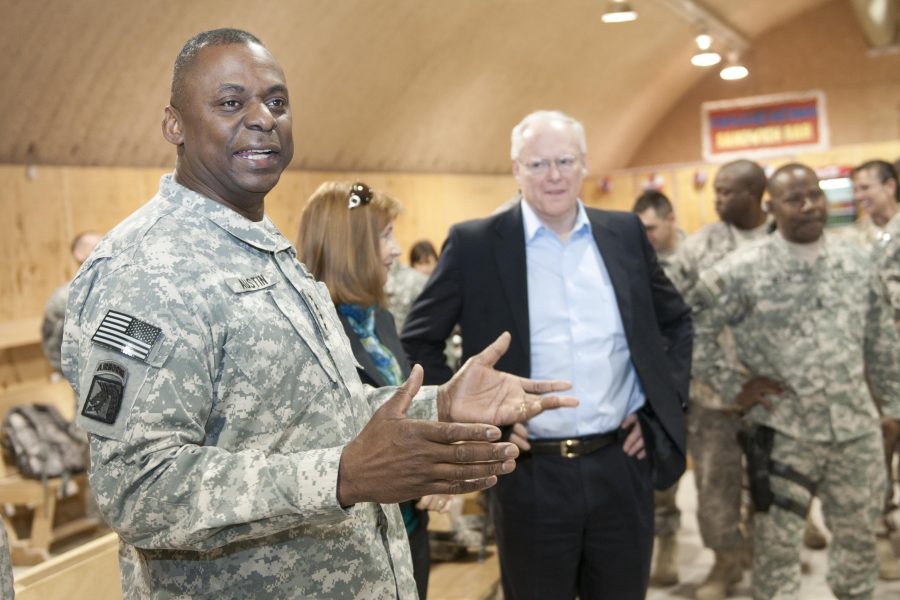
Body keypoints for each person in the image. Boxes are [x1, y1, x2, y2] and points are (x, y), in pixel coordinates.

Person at [60, 29, 576, 599]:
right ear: (174, 125)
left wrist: (442, 403)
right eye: (231, 103)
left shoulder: (263, 248)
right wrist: (343, 476)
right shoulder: (144, 270)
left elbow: (320, 415)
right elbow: (136, 487)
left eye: (277, 102)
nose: (262, 118)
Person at [402, 110, 692, 599]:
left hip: (620, 465)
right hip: (529, 472)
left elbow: (676, 322)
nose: (553, 175)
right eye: (537, 164)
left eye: (564, 161)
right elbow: (419, 339)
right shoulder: (476, 244)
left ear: (584, 165)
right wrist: (478, 422)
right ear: (515, 169)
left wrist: (659, 409)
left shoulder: (622, 234)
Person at [690, 162, 900, 600]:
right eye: (794, 199)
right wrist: (732, 387)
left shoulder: (857, 259)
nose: (809, 207)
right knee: (776, 549)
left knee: (859, 539)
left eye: (815, 196)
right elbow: (690, 327)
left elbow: (882, 339)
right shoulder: (741, 269)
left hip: (855, 429)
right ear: (771, 207)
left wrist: (894, 408)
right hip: (784, 430)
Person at [296, 180, 450, 599]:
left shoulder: (378, 320)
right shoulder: (308, 334)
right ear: (351, 245)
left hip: (406, 530)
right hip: (351, 551)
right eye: (385, 236)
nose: (397, 250)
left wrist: (432, 473)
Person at [665, 159, 772, 599]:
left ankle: (768, 558)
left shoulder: (783, 239)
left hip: (774, 390)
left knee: (774, 481)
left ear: (756, 193)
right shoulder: (700, 246)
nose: (718, 200)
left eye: (729, 192)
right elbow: (676, 311)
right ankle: (725, 562)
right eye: (717, 191)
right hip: (713, 393)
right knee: (714, 483)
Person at [631, 189, 685, 586]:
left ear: (670, 220)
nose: (645, 235)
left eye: (650, 227)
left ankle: (735, 551)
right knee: (662, 477)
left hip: (711, 385)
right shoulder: (631, 261)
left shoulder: (697, 257)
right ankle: (666, 545)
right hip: (661, 386)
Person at [855, 159, 900, 580]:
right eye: (856, 189)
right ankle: (882, 534)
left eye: (866, 187)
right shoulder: (863, 238)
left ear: (890, 186)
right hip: (880, 367)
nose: (860, 196)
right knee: (879, 452)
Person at [40, 230, 102, 373]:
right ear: (78, 253)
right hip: (84, 373)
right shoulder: (64, 298)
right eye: (95, 246)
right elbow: (52, 339)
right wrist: (68, 372)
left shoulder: (118, 289)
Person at [385, 240, 438, 330]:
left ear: (436, 262)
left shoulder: (441, 286)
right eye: (420, 263)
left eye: (427, 262)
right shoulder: (406, 287)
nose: (424, 268)